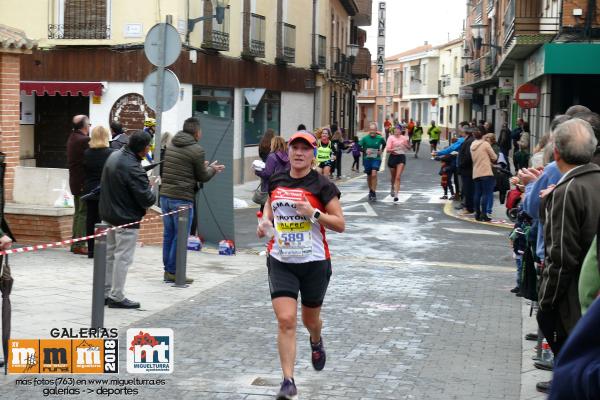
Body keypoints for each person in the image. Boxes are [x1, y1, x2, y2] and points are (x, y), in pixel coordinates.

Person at [256, 131, 344, 400]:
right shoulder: (277, 179)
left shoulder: (322, 185)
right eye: (295, 147)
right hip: (281, 259)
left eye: (305, 149)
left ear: (313, 154)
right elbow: (270, 205)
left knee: (310, 320)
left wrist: (313, 213)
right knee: (285, 320)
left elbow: (340, 224)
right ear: (289, 151)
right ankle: (288, 381)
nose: (299, 153)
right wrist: (264, 222)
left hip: (315, 262)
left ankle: (316, 340)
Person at [537, 119, 600, 394]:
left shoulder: (568, 191)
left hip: (574, 304)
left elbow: (561, 258)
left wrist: (545, 304)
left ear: (557, 153)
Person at [160, 117, 225, 283]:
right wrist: (212, 169)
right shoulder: (197, 150)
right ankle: (175, 272)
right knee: (180, 236)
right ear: (196, 132)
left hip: (165, 197)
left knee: (169, 235)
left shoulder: (172, 144)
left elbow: (183, 167)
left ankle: (168, 270)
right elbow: (202, 176)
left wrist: (200, 166)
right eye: (200, 131)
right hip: (182, 199)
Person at [99, 131, 158, 309]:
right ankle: (116, 296)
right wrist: (152, 186)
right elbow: (147, 199)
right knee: (122, 258)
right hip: (125, 218)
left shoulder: (114, 155)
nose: (149, 148)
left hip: (108, 214)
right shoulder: (133, 167)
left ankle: (105, 292)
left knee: (109, 256)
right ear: (142, 148)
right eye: (148, 146)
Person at [83, 126, 114, 259]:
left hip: (90, 189)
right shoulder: (111, 153)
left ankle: (91, 249)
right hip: (105, 189)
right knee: (106, 219)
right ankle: (104, 247)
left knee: (91, 219)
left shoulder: (87, 153)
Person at [67, 114, 91, 256]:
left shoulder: (72, 137)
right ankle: (79, 244)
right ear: (84, 126)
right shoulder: (84, 140)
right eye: (89, 124)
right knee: (82, 213)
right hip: (83, 181)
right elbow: (89, 160)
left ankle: (75, 242)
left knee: (78, 213)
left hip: (75, 180)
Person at [254, 136, 290, 209]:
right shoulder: (288, 155)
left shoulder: (272, 156)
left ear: (274, 144)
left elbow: (267, 174)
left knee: (265, 211)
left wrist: (257, 172)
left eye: (271, 144)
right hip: (284, 188)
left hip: (271, 188)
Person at [471, 127, 498, 221]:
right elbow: (494, 157)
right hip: (486, 172)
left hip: (476, 172)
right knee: (486, 194)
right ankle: (484, 214)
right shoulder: (485, 144)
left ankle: (477, 214)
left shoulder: (472, 145)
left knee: (477, 193)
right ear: (483, 135)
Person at [359, 123, 386, 201]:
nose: (372, 131)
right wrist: (365, 150)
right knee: (369, 176)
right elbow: (358, 147)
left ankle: (373, 192)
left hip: (376, 159)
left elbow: (384, 144)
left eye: (374, 130)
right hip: (367, 159)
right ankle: (370, 190)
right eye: (371, 130)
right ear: (369, 130)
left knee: (374, 173)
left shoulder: (379, 138)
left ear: (376, 130)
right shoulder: (365, 138)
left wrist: (381, 150)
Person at [385, 125, 411, 202]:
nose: (396, 131)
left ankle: (396, 194)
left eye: (398, 130)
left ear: (400, 131)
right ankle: (392, 187)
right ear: (393, 131)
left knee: (398, 176)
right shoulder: (390, 138)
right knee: (393, 177)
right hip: (393, 157)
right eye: (395, 130)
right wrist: (394, 149)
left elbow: (409, 148)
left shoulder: (404, 138)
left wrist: (406, 145)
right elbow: (387, 150)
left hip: (401, 157)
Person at [457, 127, 477, 215]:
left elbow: (468, 157)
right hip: (467, 169)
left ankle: (469, 208)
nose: (460, 133)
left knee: (468, 189)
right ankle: (470, 207)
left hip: (467, 170)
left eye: (461, 132)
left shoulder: (469, 141)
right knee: (468, 189)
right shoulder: (469, 140)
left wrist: (461, 164)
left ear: (465, 133)